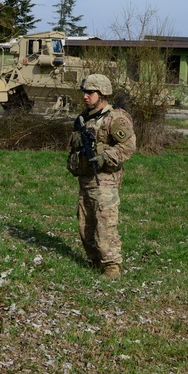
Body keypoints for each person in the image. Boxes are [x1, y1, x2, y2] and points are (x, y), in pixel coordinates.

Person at [66, 74, 136, 280]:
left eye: (90, 92)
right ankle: (95, 260)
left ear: (102, 93)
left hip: (105, 178)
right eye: (84, 92)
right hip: (85, 177)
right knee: (85, 222)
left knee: (105, 222)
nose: (85, 96)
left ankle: (111, 266)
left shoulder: (114, 118)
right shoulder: (84, 118)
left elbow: (128, 146)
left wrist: (105, 157)